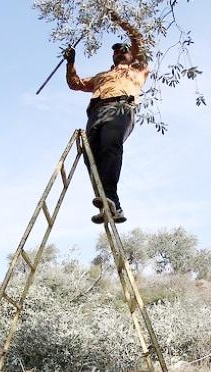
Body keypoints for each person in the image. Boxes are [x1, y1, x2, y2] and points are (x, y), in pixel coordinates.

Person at [64, 10, 149, 224]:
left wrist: (119, 19)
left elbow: (138, 38)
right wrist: (70, 62)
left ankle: (110, 197)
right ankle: (109, 203)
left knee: (111, 145)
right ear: (112, 56)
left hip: (121, 107)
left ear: (131, 55)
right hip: (96, 112)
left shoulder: (137, 68)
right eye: (117, 51)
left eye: (124, 50)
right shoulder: (102, 76)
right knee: (91, 156)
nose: (121, 52)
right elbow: (75, 84)